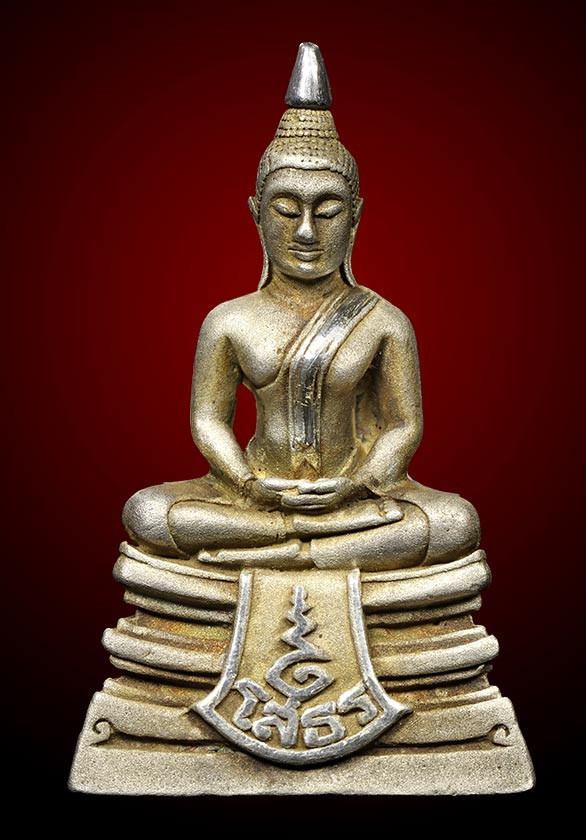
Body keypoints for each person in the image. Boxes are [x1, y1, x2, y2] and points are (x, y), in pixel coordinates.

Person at [123, 44, 480, 573]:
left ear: (355, 216)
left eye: (328, 211)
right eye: (287, 210)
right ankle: (300, 542)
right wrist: (249, 485)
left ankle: (290, 550)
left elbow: (403, 426)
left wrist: (354, 486)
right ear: (256, 214)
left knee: (454, 521)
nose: (307, 231)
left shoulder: (383, 321)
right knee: (148, 512)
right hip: (257, 497)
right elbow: (208, 419)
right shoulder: (229, 321)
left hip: (352, 498)